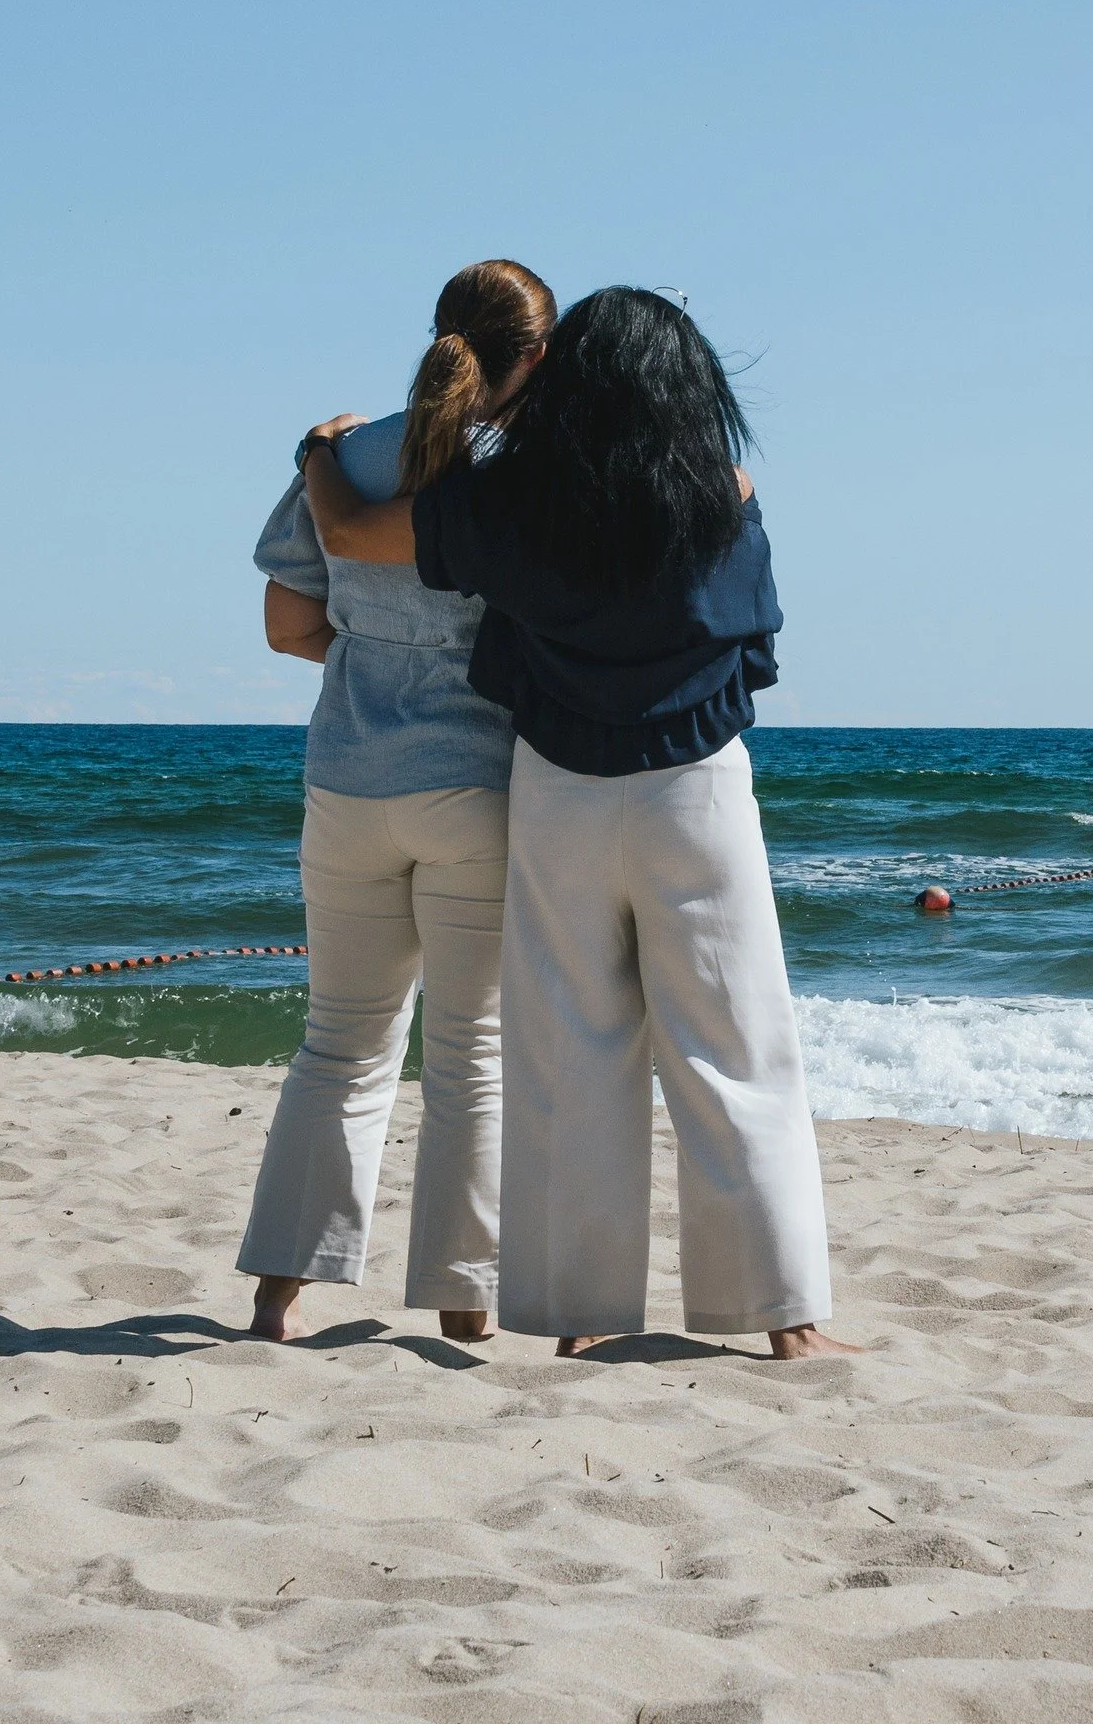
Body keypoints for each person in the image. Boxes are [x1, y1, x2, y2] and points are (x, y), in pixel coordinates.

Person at [300, 287, 854, 1360]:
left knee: (566, 1049)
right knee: (735, 1044)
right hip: (693, 785)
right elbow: (756, 645)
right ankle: (785, 1321)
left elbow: (350, 530)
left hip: (556, 779)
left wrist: (316, 451)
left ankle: (578, 1316)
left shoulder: (510, 500)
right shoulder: (721, 491)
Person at [238, 259, 555, 1343]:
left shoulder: (348, 452)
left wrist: (370, 654)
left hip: (347, 782)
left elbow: (287, 627)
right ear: (536, 356)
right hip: (474, 785)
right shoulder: (524, 471)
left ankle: (281, 1290)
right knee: (470, 1051)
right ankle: (463, 1300)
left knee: (341, 1042)